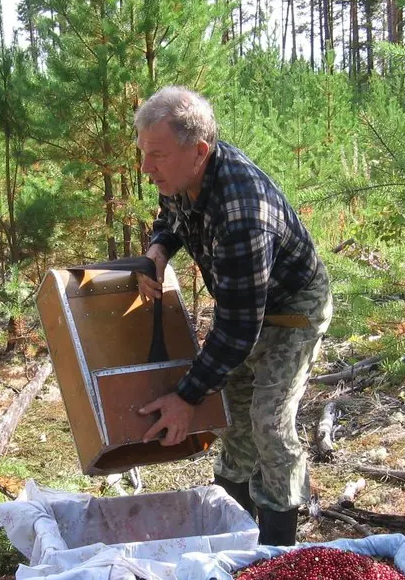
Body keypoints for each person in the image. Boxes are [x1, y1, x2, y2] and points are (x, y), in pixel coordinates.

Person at [134, 86, 332, 546]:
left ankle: (279, 547)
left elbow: (241, 328)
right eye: (144, 155)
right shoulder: (183, 176)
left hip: (294, 307)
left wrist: (185, 396)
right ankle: (231, 531)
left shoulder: (243, 211)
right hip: (245, 302)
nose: (147, 169)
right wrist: (159, 249)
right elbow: (170, 215)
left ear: (198, 151)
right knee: (233, 415)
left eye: (157, 156)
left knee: (268, 419)